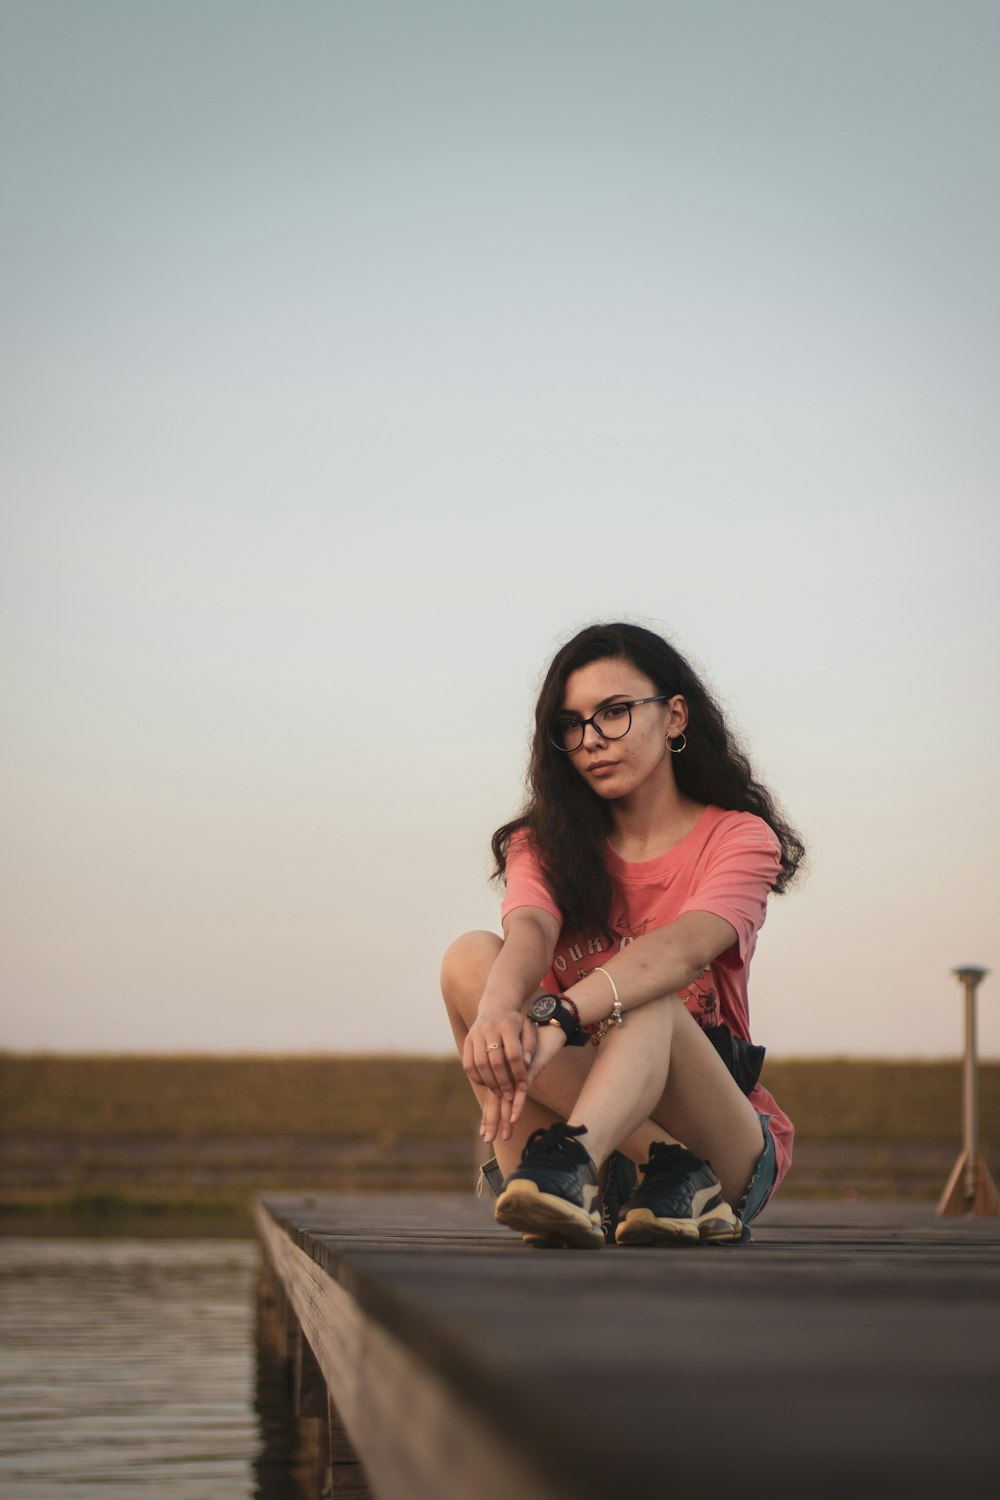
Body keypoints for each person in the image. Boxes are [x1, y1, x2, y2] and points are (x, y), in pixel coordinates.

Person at [441, 622, 805, 1248]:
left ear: (674, 717)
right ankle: (601, 1169)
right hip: (554, 1158)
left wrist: (559, 1016)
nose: (591, 741)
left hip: (715, 1144)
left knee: (642, 992)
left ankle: (645, 1166)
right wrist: (501, 1011)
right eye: (572, 724)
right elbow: (529, 925)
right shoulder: (544, 842)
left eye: (614, 713)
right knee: (470, 958)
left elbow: (684, 946)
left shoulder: (739, 838)